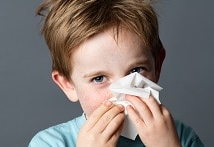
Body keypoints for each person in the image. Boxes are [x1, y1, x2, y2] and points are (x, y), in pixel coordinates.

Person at [29, 0, 204, 146]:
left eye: (136, 70)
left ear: (157, 66)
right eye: (99, 78)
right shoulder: (50, 143)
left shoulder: (181, 137)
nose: (124, 92)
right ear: (68, 85)